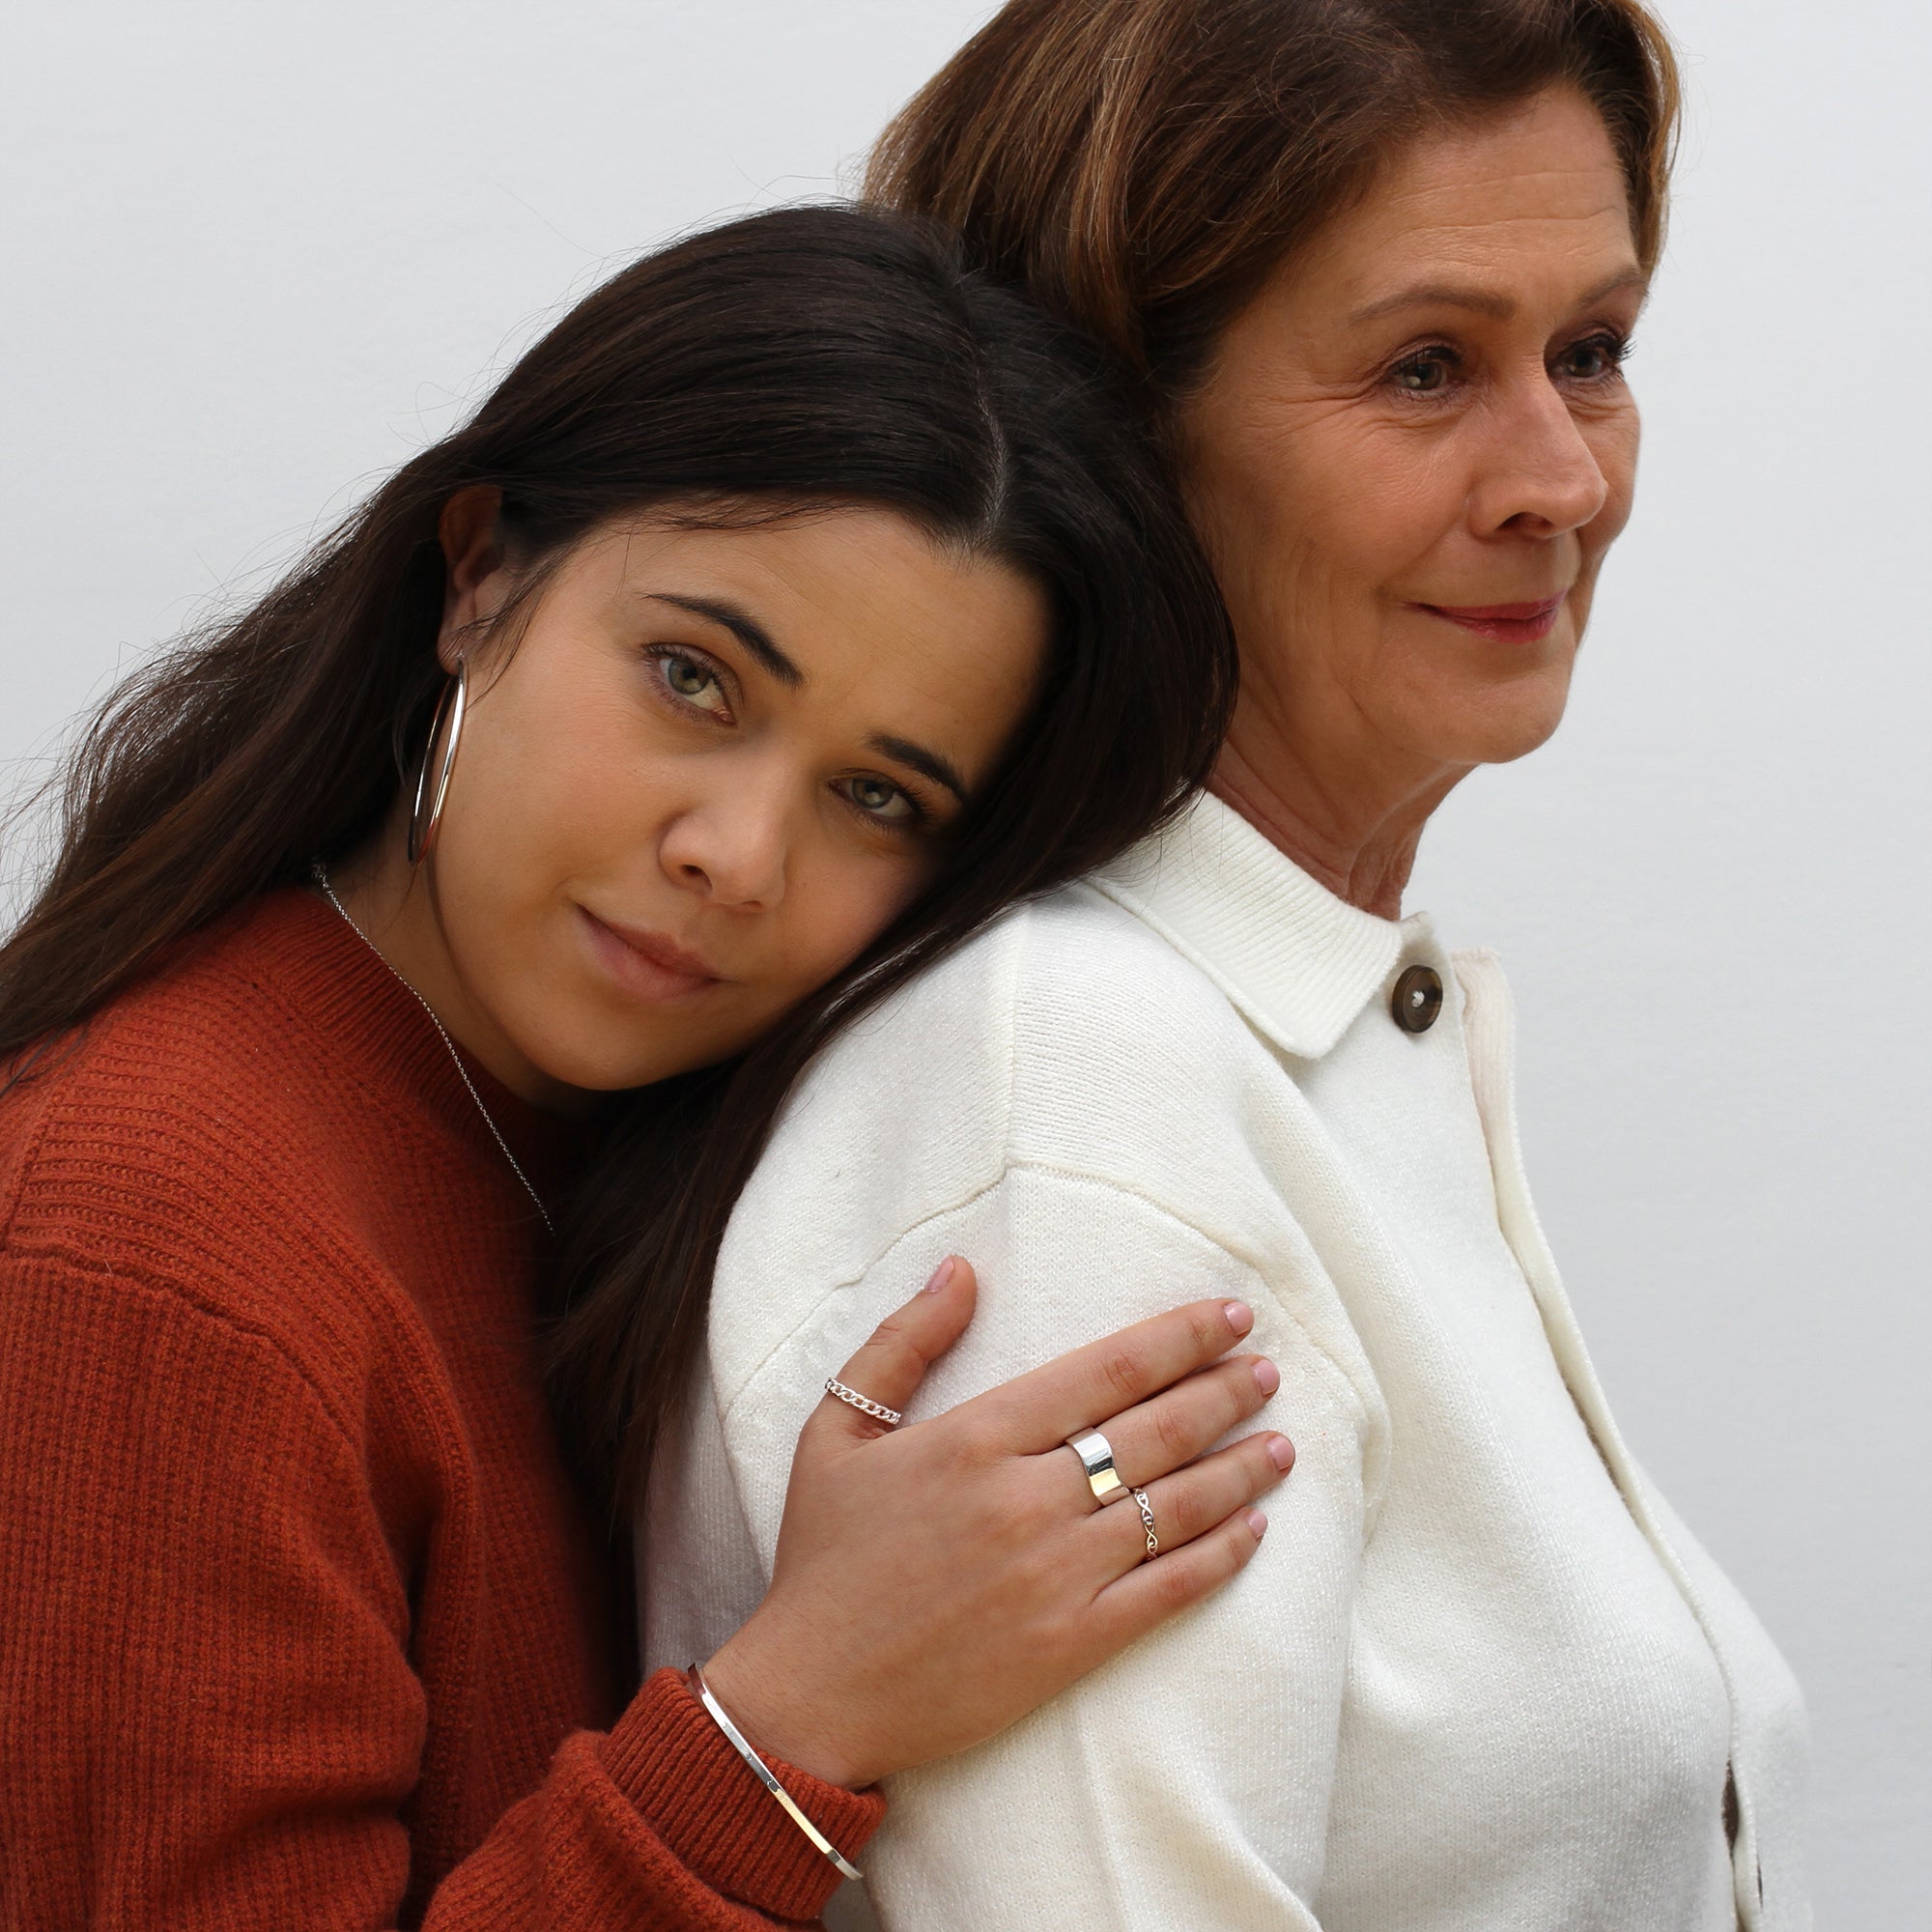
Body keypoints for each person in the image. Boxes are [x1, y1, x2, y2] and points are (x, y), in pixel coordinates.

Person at [638, 5, 1809, 1929]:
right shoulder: (1074, 1087)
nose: (1562, 480)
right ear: (1116, 426)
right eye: (1426, 368)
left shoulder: (1297, 1034)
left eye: (1587, 353)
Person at [0, 207, 1300, 1929]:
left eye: (880, 797)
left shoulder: (625, 1155)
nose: (740, 855)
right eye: (695, 678)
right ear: (480, 578)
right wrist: (792, 1723)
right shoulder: (152, 1244)